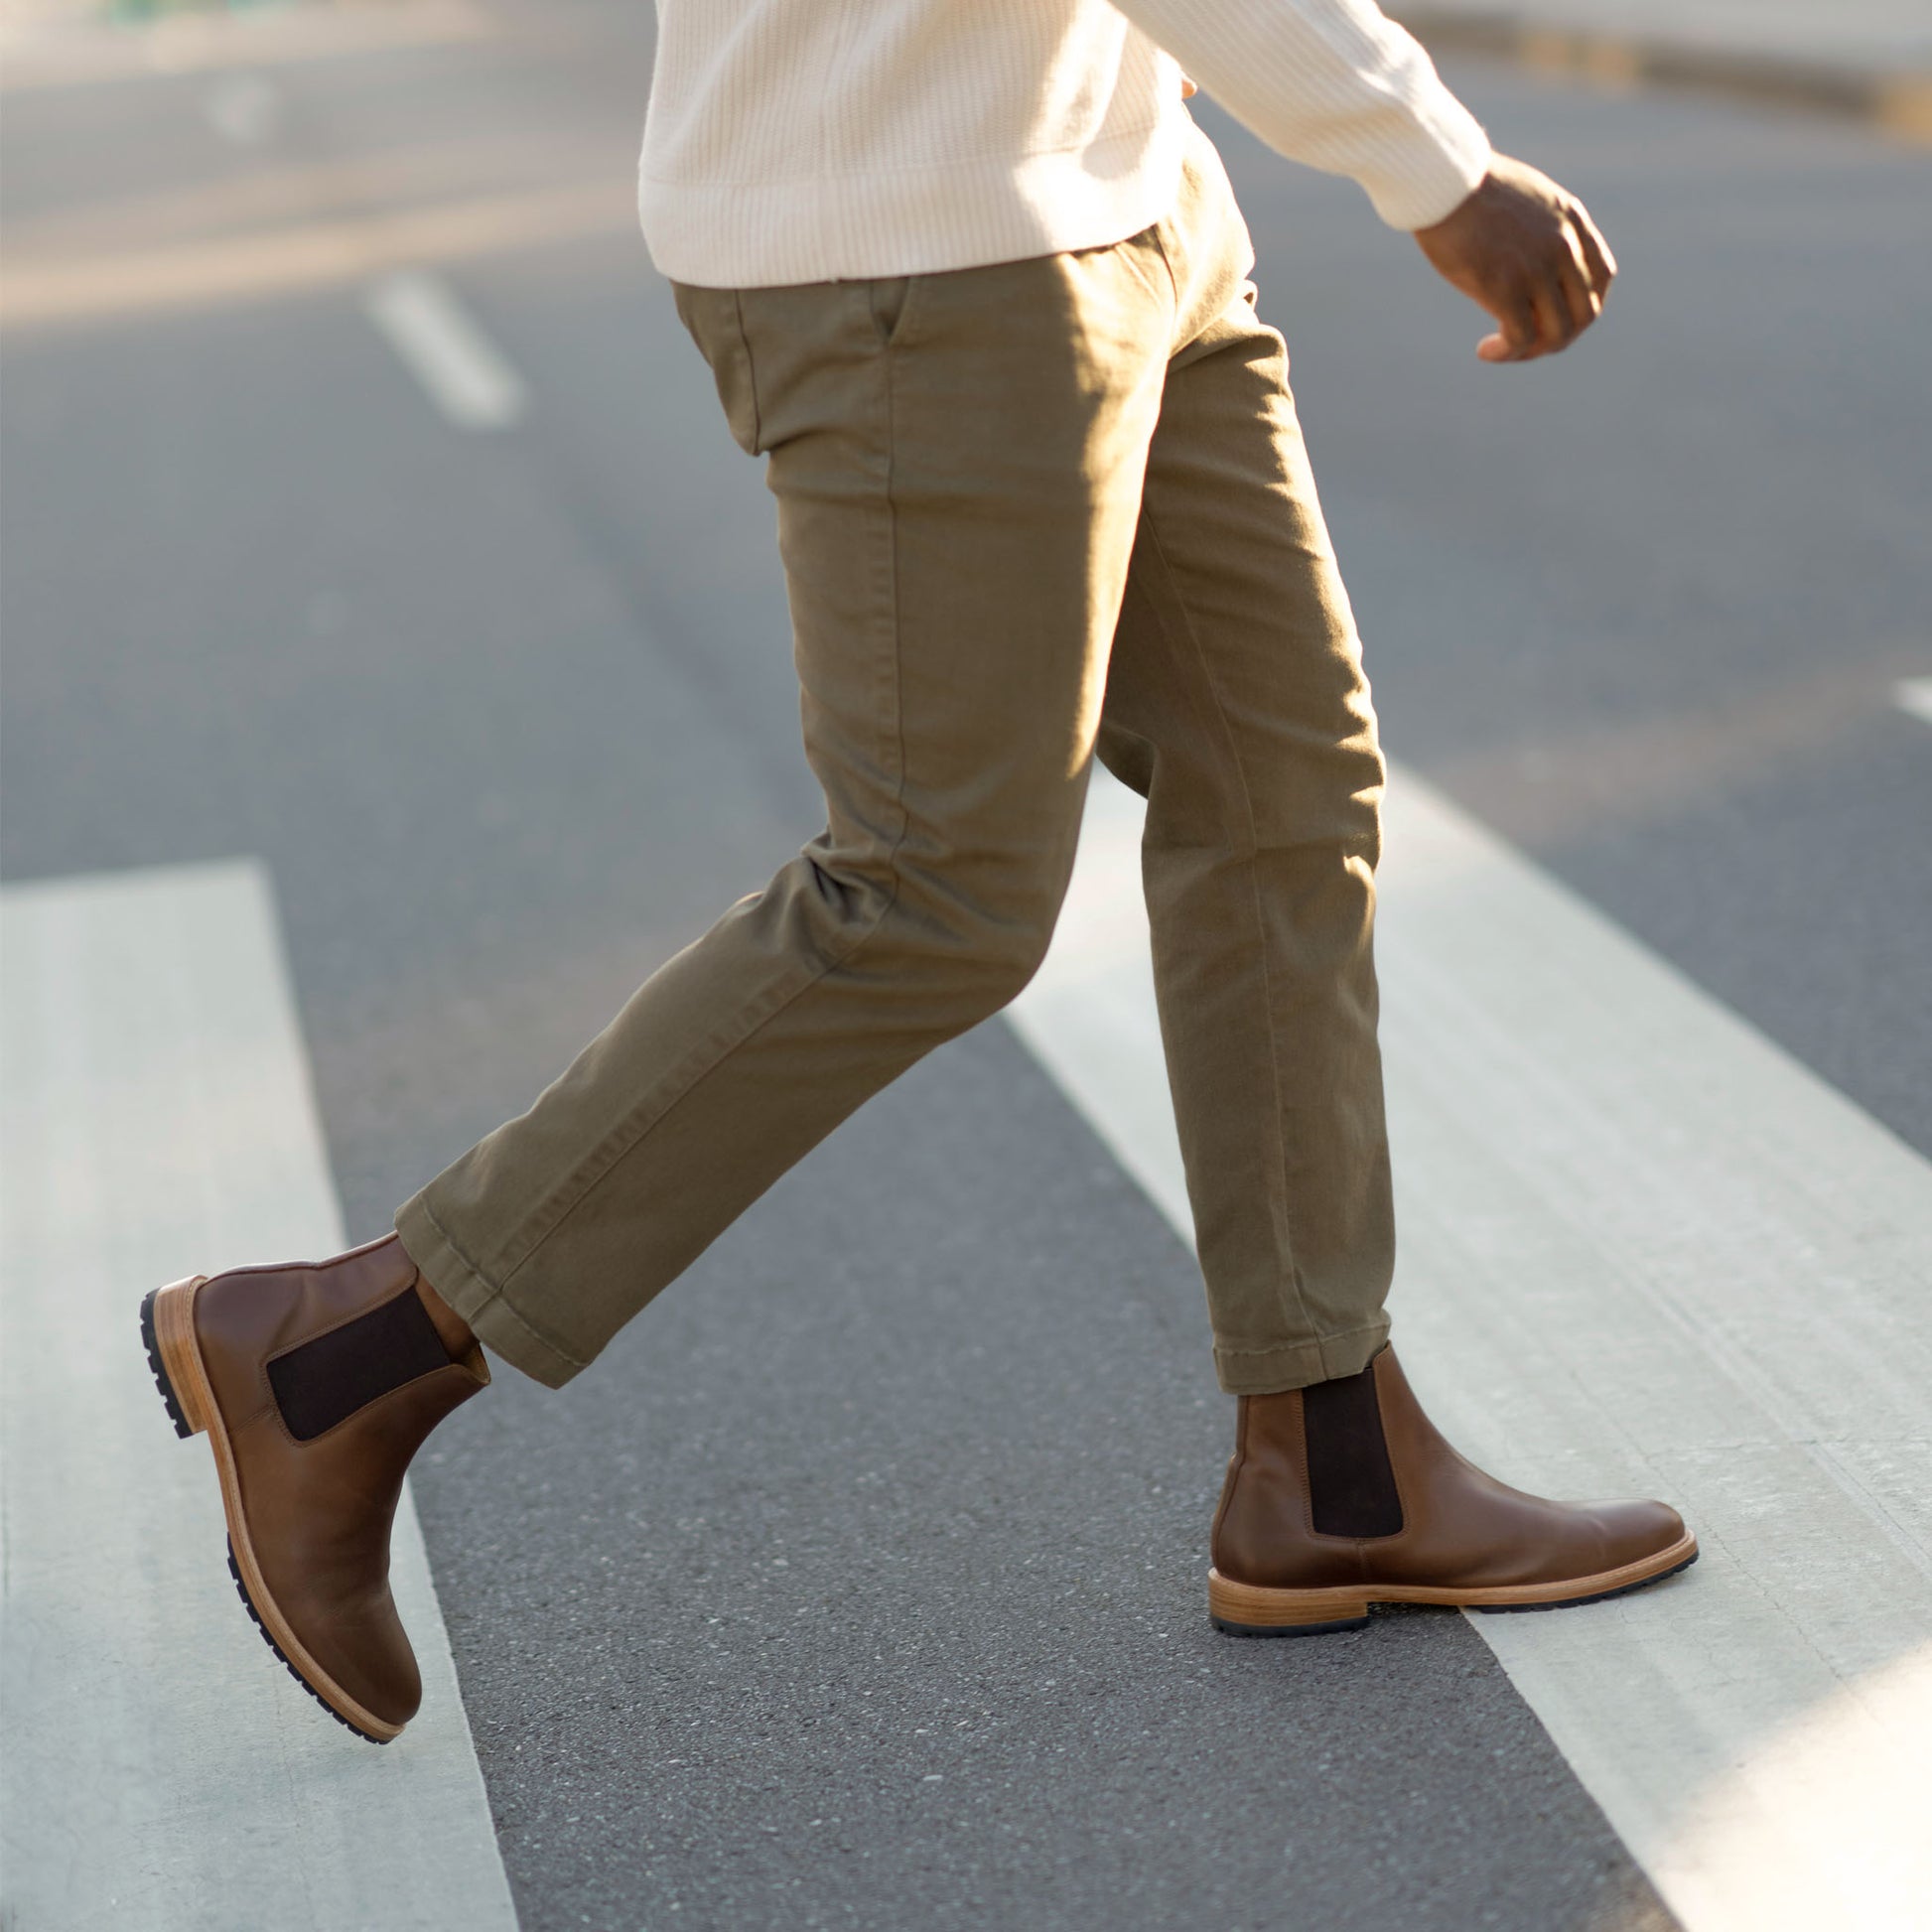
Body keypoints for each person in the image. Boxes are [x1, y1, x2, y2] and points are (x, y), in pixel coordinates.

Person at [139, 0, 1694, 1745]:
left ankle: (1331, 1463)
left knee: (1283, 794)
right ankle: (342, 1354)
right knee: (933, 887)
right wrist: (1432, 164)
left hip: (1124, 201)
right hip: (927, 254)